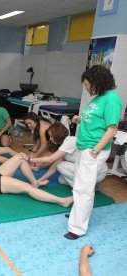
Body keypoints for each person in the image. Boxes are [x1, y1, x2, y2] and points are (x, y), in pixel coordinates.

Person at [64, 65, 122, 240]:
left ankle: (77, 228)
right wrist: (79, 119)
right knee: (79, 184)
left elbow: (111, 129)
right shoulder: (99, 98)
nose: (87, 87)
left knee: (84, 189)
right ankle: (77, 215)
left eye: (88, 84)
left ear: (98, 82)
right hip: (85, 147)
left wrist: (95, 151)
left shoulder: (111, 99)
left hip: (93, 150)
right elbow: (96, 120)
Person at [30, 136, 107, 187]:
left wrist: (30, 159)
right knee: (61, 179)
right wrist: (39, 180)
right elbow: (53, 168)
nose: (50, 139)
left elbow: (51, 159)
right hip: (85, 168)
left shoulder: (70, 141)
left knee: (60, 166)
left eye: (51, 136)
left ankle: (86, 187)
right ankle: (89, 184)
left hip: (97, 171)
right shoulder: (63, 147)